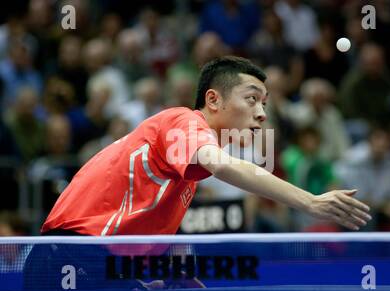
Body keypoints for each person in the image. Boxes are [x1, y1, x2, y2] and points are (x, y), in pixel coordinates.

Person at [41, 56, 371, 236]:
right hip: (71, 249)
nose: (261, 113)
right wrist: (310, 201)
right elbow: (225, 166)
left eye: (265, 103)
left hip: (101, 257)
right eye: (252, 99)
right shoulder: (182, 120)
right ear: (213, 99)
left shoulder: (186, 172)